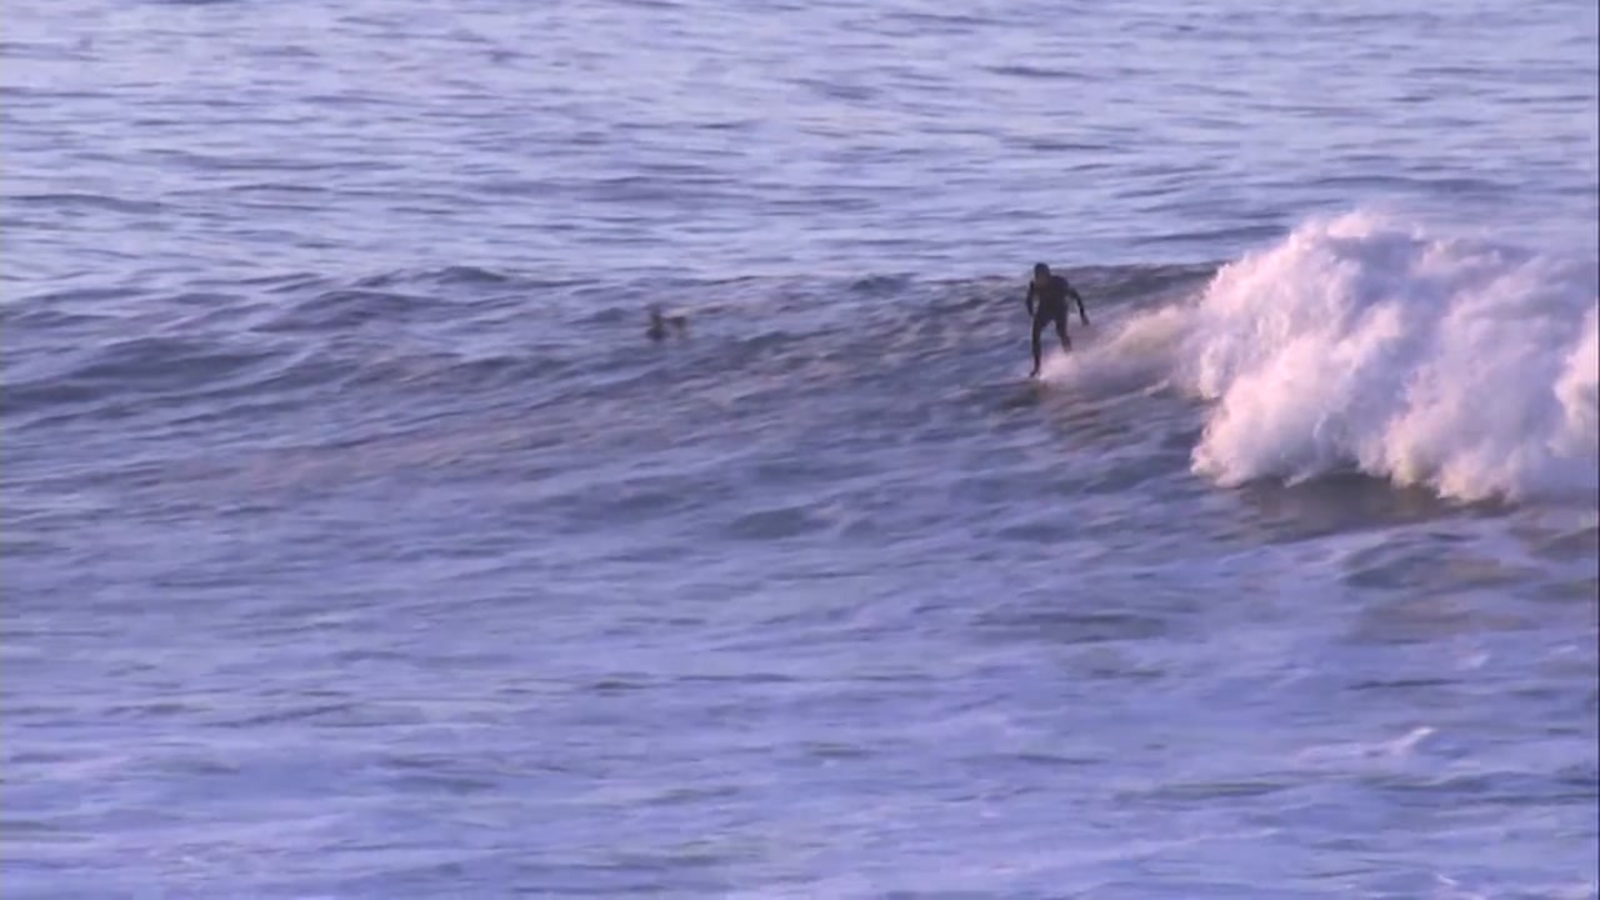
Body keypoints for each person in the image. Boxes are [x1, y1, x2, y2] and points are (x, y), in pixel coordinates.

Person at [1024, 262, 1089, 377]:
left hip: (1060, 309)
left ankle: (1071, 358)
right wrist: (1031, 312)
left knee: (1061, 333)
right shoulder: (1034, 285)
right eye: (1037, 276)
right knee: (1035, 335)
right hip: (1044, 309)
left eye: (1041, 276)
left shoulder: (1059, 283)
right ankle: (1037, 367)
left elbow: (1076, 296)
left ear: (1047, 275)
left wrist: (1083, 315)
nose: (1039, 279)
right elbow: (1029, 299)